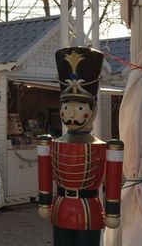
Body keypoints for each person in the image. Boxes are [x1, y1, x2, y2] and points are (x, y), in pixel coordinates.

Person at [37, 47, 124, 246]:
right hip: (60, 208)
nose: (72, 115)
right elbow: (44, 169)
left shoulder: (106, 147)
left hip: (89, 210)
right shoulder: (52, 143)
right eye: (66, 108)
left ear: (92, 110)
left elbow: (112, 178)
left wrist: (112, 210)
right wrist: (44, 201)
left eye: (80, 108)